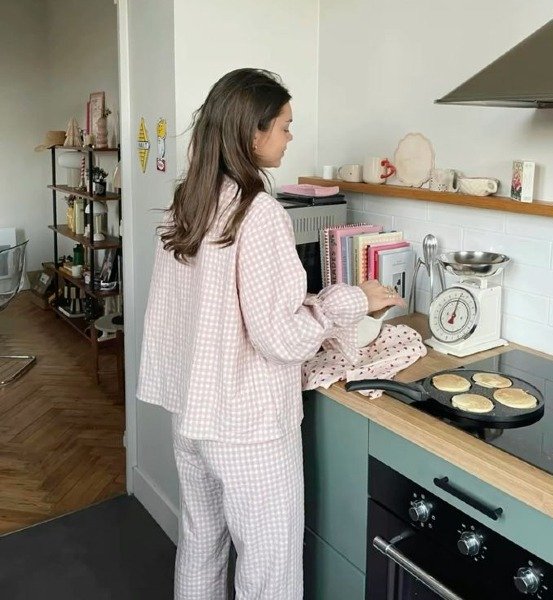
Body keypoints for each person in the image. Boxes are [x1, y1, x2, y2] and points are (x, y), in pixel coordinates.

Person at [137, 68, 404, 600]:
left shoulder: (188, 200)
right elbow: (279, 338)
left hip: (191, 415)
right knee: (269, 572)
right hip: (246, 425)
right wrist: (354, 299)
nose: (289, 137)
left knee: (200, 544)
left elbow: (207, 309)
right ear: (252, 133)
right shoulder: (257, 212)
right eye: (285, 126)